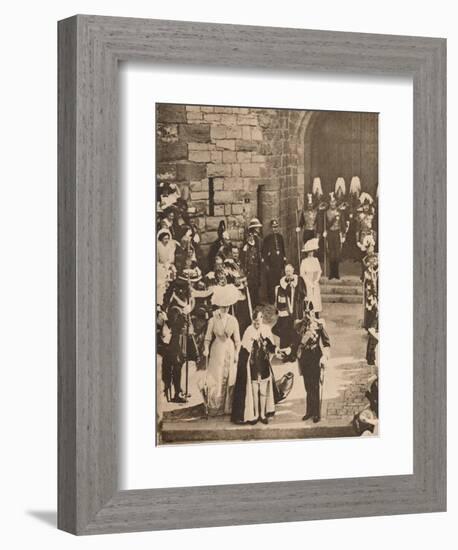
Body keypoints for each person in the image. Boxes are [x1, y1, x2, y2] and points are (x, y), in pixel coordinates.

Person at [231, 308, 278, 424]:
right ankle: (256, 414)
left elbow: (271, 346)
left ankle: (262, 414)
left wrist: (276, 349)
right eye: (255, 322)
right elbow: (244, 350)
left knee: (263, 391)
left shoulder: (266, 330)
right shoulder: (248, 331)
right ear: (252, 321)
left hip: (263, 365)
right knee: (254, 391)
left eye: (259, 321)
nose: (257, 324)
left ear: (262, 319)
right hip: (252, 366)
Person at [203, 299, 241, 416]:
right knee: (217, 376)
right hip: (217, 349)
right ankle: (215, 406)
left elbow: (238, 340)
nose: (225, 308)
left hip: (229, 348)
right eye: (223, 306)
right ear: (219, 305)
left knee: (230, 376)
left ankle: (227, 407)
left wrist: (236, 353)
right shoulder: (212, 320)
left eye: (228, 306)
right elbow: (207, 338)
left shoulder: (233, 320)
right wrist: (206, 349)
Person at [295, 302, 331, 423]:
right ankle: (309, 411)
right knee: (307, 385)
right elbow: (296, 340)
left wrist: (324, 357)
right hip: (305, 358)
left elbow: (326, 343)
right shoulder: (301, 326)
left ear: (313, 312)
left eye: (310, 312)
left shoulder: (319, 326)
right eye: (306, 312)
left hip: (315, 357)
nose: (308, 315)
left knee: (315, 385)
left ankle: (316, 413)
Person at [272, 264, 306, 362]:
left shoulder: (299, 281)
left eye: (290, 271)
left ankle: (294, 354)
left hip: (296, 312)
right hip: (285, 314)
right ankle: (285, 355)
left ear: (293, 271)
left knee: (295, 333)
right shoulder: (282, 285)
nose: (288, 273)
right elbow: (279, 301)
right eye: (287, 271)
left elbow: (304, 294)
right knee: (285, 333)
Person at [262, 219, 287, 304]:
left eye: (276, 227)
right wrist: (266, 264)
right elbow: (265, 252)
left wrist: (284, 259)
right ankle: (271, 299)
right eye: (273, 227)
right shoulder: (267, 239)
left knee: (279, 280)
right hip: (271, 263)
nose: (275, 229)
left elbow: (283, 250)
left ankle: (278, 297)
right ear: (271, 228)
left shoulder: (280, 237)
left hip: (279, 263)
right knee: (271, 282)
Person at [321, 193, 346, 280]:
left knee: (337, 253)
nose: (332, 204)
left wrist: (343, 234)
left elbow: (342, 224)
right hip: (330, 233)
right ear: (329, 203)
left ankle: (337, 273)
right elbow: (326, 224)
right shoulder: (326, 213)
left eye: (334, 202)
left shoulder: (339, 212)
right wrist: (325, 231)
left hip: (337, 233)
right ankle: (331, 273)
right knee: (331, 253)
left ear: (336, 202)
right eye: (331, 202)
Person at [299, 238, 322, 316]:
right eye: (309, 252)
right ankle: (308, 315)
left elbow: (319, 271)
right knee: (309, 298)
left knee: (316, 298)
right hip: (307, 282)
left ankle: (316, 314)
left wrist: (316, 280)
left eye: (312, 251)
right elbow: (302, 274)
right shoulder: (304, 261)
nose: (311, 253)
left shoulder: (316, 260)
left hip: (315, 281)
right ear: (307, 252)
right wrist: (308, 282)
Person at [241, 230, 262, 308]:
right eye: (249, 236)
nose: (251, 238)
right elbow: (244, 259)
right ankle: (252, 302)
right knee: (251, 286)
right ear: (247, 238)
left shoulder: (256, 245)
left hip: (256, 267)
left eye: (252, 236)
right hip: (250, 269)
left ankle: (257, 301)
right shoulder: (246, 247)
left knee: (256, 284)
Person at [361, 235, 378, 330]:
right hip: (368, 282)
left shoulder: (377, 257)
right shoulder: (365, 259)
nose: (371, 249)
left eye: (372, 247)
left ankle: (374, 323)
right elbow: (364, 271)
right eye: (369, 247)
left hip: (375, 281)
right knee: (369, 303)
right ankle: (367, 323)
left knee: (375, 302)